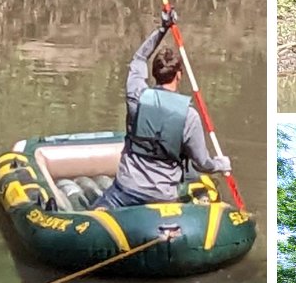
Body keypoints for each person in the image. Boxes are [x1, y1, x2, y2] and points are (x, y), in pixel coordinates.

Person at [93, 11, 231, 210]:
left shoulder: (136, 96)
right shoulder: (189, 116)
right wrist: (221, 164)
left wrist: (162, 28)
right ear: (179, 75)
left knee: (96, 211)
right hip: (162, 197)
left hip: (126, 191)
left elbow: (139, 58)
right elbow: (202, 164)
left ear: (155, 73)